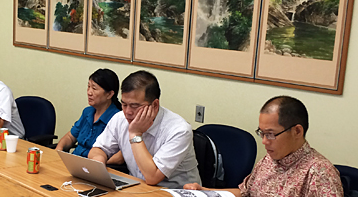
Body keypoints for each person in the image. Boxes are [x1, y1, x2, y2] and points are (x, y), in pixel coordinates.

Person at [184, 96, 343, 196]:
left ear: (297, 131)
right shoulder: (269, 160)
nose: (265, 141)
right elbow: (245, 192)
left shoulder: (320, 173)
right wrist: (204, 191)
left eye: (271, 134)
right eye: (262, 133)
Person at [88, 70, 200, 189]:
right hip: (136, 188)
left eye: (135, 106)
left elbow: (152, 177)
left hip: (174, 192)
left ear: (155, 105)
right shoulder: (120, 118)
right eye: (124, 104)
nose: (128, 112)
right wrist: (99, 162)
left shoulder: (179, 130)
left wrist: (135, 134)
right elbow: (97, 150)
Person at [55, 69, 123, 162]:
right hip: (73, 162)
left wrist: (101, 165)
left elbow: (121, 155)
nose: (89, 92)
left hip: (93, 168)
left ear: (109, 94)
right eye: (88, 87)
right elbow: (70, 137)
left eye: (94, 89)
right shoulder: (88, 112)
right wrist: (58, 150)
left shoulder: (118, 118)